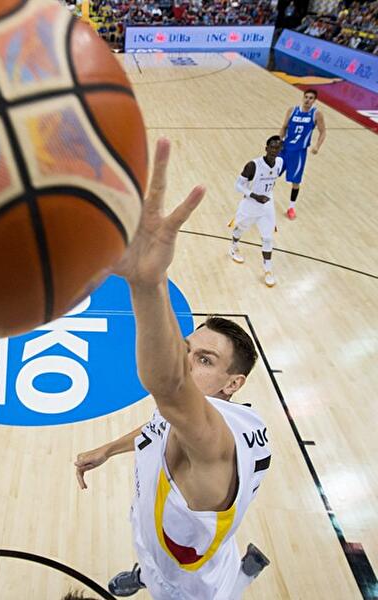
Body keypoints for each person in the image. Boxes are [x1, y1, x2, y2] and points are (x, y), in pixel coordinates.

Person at [74, 139, 271, 599]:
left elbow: (168, 387)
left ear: (232, 383)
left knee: (189, 574)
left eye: (205, 360)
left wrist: (148, 283)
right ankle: (148, 570)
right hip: (180, 545)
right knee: (161, 543)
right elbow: (161, 422)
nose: (186, 361)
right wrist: (108, 448)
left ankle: (239, 573)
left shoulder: (213, 444)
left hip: (187, 591)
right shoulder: (204, 420)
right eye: (188, 349)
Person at [228, 135, 283, 287]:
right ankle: (233, 247)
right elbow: (238, 185)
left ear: (281, 150)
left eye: (277, 148)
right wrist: (254, 195)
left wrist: (265, 196)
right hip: (251, 203)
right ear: (266, 148)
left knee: (268, 238)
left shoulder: (279, 162)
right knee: (241, 228)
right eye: (272, 147)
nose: (274, 150)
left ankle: (268, 270)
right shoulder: (253, 165)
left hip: (267, 205)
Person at [279, 89, 326, 220]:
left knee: (295, 181)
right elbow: (284, 127)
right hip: (285, 148)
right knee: (270, 172)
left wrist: (317, 146)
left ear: (314, 100)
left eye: (311, 98)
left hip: (299, 152)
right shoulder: (292, 110)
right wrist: (278, 140)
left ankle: (291, 207)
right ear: (302, 97)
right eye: (306, 97)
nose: (307, 100)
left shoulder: (316, 114)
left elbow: (323, 132)